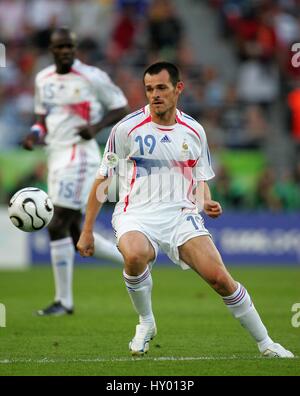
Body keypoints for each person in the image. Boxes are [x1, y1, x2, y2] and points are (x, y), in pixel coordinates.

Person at [77, 61, 294, 358]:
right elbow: (103, 179)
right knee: (135, 254)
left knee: (220, 279)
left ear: (178, 88)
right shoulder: (125, 129)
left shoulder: (194, 131)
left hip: (181, 216)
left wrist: (205, 201)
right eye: (149, 89)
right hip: (136, 214)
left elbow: (200, 179)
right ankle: (146, 321)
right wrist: (87, 230)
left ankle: (266, 343)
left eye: (162, 88)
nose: (154, 95)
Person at [22, 27, 129, 316]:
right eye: (60, 47)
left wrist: (95, 128)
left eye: (70, 46)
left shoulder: (92, 77)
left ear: (75, 47)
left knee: (56, 222)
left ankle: (63, 301)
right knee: (74, 232)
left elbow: (121, 106)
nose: (66, 51)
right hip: (56, 155)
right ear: (51, 50)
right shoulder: (43, 79)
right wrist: (34, 134)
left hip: (80, 157)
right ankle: (132, 258)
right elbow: (41, 117)